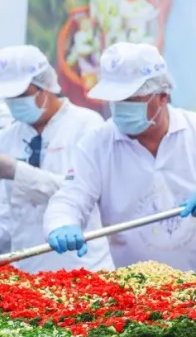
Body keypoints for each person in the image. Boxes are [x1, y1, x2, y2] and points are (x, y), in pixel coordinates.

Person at [43, 42, 196, 279]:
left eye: (131, 100)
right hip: (136, 294)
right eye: (115, 101)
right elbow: (70, 197)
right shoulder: (97, 143)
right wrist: (62, 223)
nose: (120, 109)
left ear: (162, 96)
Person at [0, 45, 112, 272]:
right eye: (9, 97)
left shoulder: (87, 126)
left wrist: (17, 171)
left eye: (22, 95)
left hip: (81, 267)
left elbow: (81, 192)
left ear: (45, 86)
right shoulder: (7, 137)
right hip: (27, 269)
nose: (15, 102)